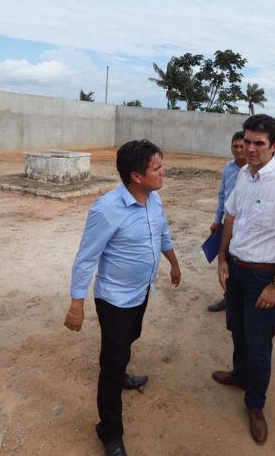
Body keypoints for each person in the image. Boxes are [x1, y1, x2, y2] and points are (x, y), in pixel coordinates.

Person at [64, 139, 181, 456]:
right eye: (156, 168)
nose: (163, 172)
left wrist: (173, 263)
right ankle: (110, 432)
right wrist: (77, 303)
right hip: (114, 300)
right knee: (111, 364)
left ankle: (121, 371)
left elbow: (163, 235)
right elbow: (86, 258)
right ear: (136, 176)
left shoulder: (154, 200)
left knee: (133, 336)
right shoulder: (107, 209)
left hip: (141, 292)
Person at [213, 114, 275, 445]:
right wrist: (223, 260)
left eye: (259, 143)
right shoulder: (243, 174)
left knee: (258, 346)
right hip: (237, 272)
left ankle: (255, 405)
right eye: (248, 142)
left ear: (274, 146)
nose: (251, 149)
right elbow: (231, 216)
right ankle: (240, 376)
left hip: (264, 278)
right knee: (236, 330)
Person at [207, 130, 247, 312]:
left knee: (244, 262)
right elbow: (222, 196)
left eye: (242, 146)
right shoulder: (229, 168)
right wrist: (217, 220)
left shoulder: (255, 170)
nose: (239, 150)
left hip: (247, 226)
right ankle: (229, 298)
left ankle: (245, 301)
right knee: (226, 260)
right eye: (235, 146)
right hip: (228, 224)